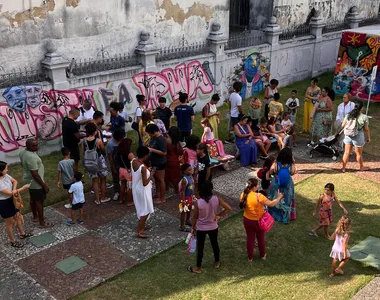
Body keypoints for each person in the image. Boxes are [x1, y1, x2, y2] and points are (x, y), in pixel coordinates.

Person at [188, 181, 232, 274]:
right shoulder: (216, 199)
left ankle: (198, 267)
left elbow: (195, 217)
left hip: (201, 228)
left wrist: (192, 227)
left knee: (200, 247)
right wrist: (219, 216)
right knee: (215, 244)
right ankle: (217, 262)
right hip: (213, 226)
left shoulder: (198, 203)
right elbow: (229, 208)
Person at [240, 178, 284, 261]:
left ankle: (250, 257)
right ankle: (263, 255)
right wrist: (279, 197)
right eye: (257, 185)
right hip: (258, 221)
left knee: (250, 238)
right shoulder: (258, 196)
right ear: (254, 187)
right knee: (260, 238)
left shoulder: (243, 194)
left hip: (247, 220)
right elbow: (271, 204)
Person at [19, 138, 53, 228]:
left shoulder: (23, 152)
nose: (36, 147)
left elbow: (22, 165)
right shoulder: (31, 157)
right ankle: (42, 223)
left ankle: (35, 216)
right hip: (35, 182)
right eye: (34, 146)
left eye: (37, 145)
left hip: (28, 180)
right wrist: (44, 185)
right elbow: (35, 174)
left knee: (33, 198)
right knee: (39, 201)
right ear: (28, 146)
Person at [0, 161, 32, 248]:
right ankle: (12, 241)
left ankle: (22, 233)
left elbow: (14, 181)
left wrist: (14, 189)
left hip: (12, 200)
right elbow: (9, 193)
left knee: (17, 216)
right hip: (4, 203)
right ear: (0, 171)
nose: (7, 170)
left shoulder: (5, 176)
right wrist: (23, 188)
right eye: (6, 168)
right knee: (9, 223)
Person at [83, 122, 110, 205]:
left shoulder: (84, 140)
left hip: (90, 162)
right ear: (95, 131)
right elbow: (103, 150)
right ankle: (103, 197)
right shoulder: (98, 141)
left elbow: (83, 152)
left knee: (94, 180)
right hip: (99, 161)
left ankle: (97, 199)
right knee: (103, 179)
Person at [267, 148, 296, 224]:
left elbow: (271, 172)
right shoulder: (291, 165)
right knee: (287, 199)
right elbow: (293, 173)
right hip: (288, 184)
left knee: (275, 197)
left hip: (276, 183)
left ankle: (275, 214)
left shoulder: (276, 164)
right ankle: (286, 216)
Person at [131, 146, 155, 238]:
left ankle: (142, 226)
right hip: (143, 190)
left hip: (137, 188)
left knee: (143, 208)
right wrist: (151, 174)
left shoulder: (134, 161)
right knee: (145, 211)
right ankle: (139, 231)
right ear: (145, 155)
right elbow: (145, 183)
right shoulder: (143, 168)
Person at [341, 101, 371, 172]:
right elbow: (366, 129)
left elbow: (343, 125)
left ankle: (343, 168)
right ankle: (361, 167)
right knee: (358, 154)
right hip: (358, 136)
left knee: (346, 152)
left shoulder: (348, 115)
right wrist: (368, 137)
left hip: (348, 135)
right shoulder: (364, 117)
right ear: (362, 108)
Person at [146, 124, 167, 204]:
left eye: (150, 133)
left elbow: (164, 152)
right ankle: (158, 193)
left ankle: (162, 197)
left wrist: (152, 150)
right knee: (156, 179)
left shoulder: (161, 139)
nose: (149, 135)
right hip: (153, 161)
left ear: (154, 132)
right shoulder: (153, 138)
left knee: (161, 180)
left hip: (160, 162)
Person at [106, 128, 126, 201]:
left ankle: (125, 189)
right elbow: (110, 157)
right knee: (116, 178)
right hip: (116, 164)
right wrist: (113, 167)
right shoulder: (110, 144)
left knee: (125, 177)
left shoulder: (124, 140)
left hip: (124, 163)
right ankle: (117, 192)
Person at [115, 133, 134, 205]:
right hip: (128, 171)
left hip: (121, 170)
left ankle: (121, 199)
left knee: (122, 184)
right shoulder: (129, 154)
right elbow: (134, 162)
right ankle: (129, 201)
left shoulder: (119, 151)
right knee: (129, 186)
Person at [62, 107, 82, 173]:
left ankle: (69, 176)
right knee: (75, 162)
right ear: (75, 114)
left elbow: (70, 131)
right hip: (73, 146)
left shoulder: (65, 120)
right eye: (78, 115)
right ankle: (75, 176)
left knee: (68, 161)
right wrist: (86, 135)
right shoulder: (72, 124)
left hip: (66, 145)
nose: (78, 116)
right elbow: (77, 136)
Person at [165, 126, 183, 193]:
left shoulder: (167, 141)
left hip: (168, 160)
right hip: (175, 160)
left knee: (166, 175)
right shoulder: (178, 143)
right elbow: (180, 152)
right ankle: (177, 189)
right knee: (176, 176)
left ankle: (166, 188)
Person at [179, 164, 195, 231]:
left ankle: (187, 220)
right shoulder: (184, 180)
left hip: (190, 197)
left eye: (191, 169)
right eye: (189, 170)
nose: (191, 171)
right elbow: (182, 191)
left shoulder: (191, 176)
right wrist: (183, 201)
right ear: (184, 171)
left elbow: (192, 186)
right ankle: (182, 226)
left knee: (189, 209)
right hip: (185, 198)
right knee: (183, 211)